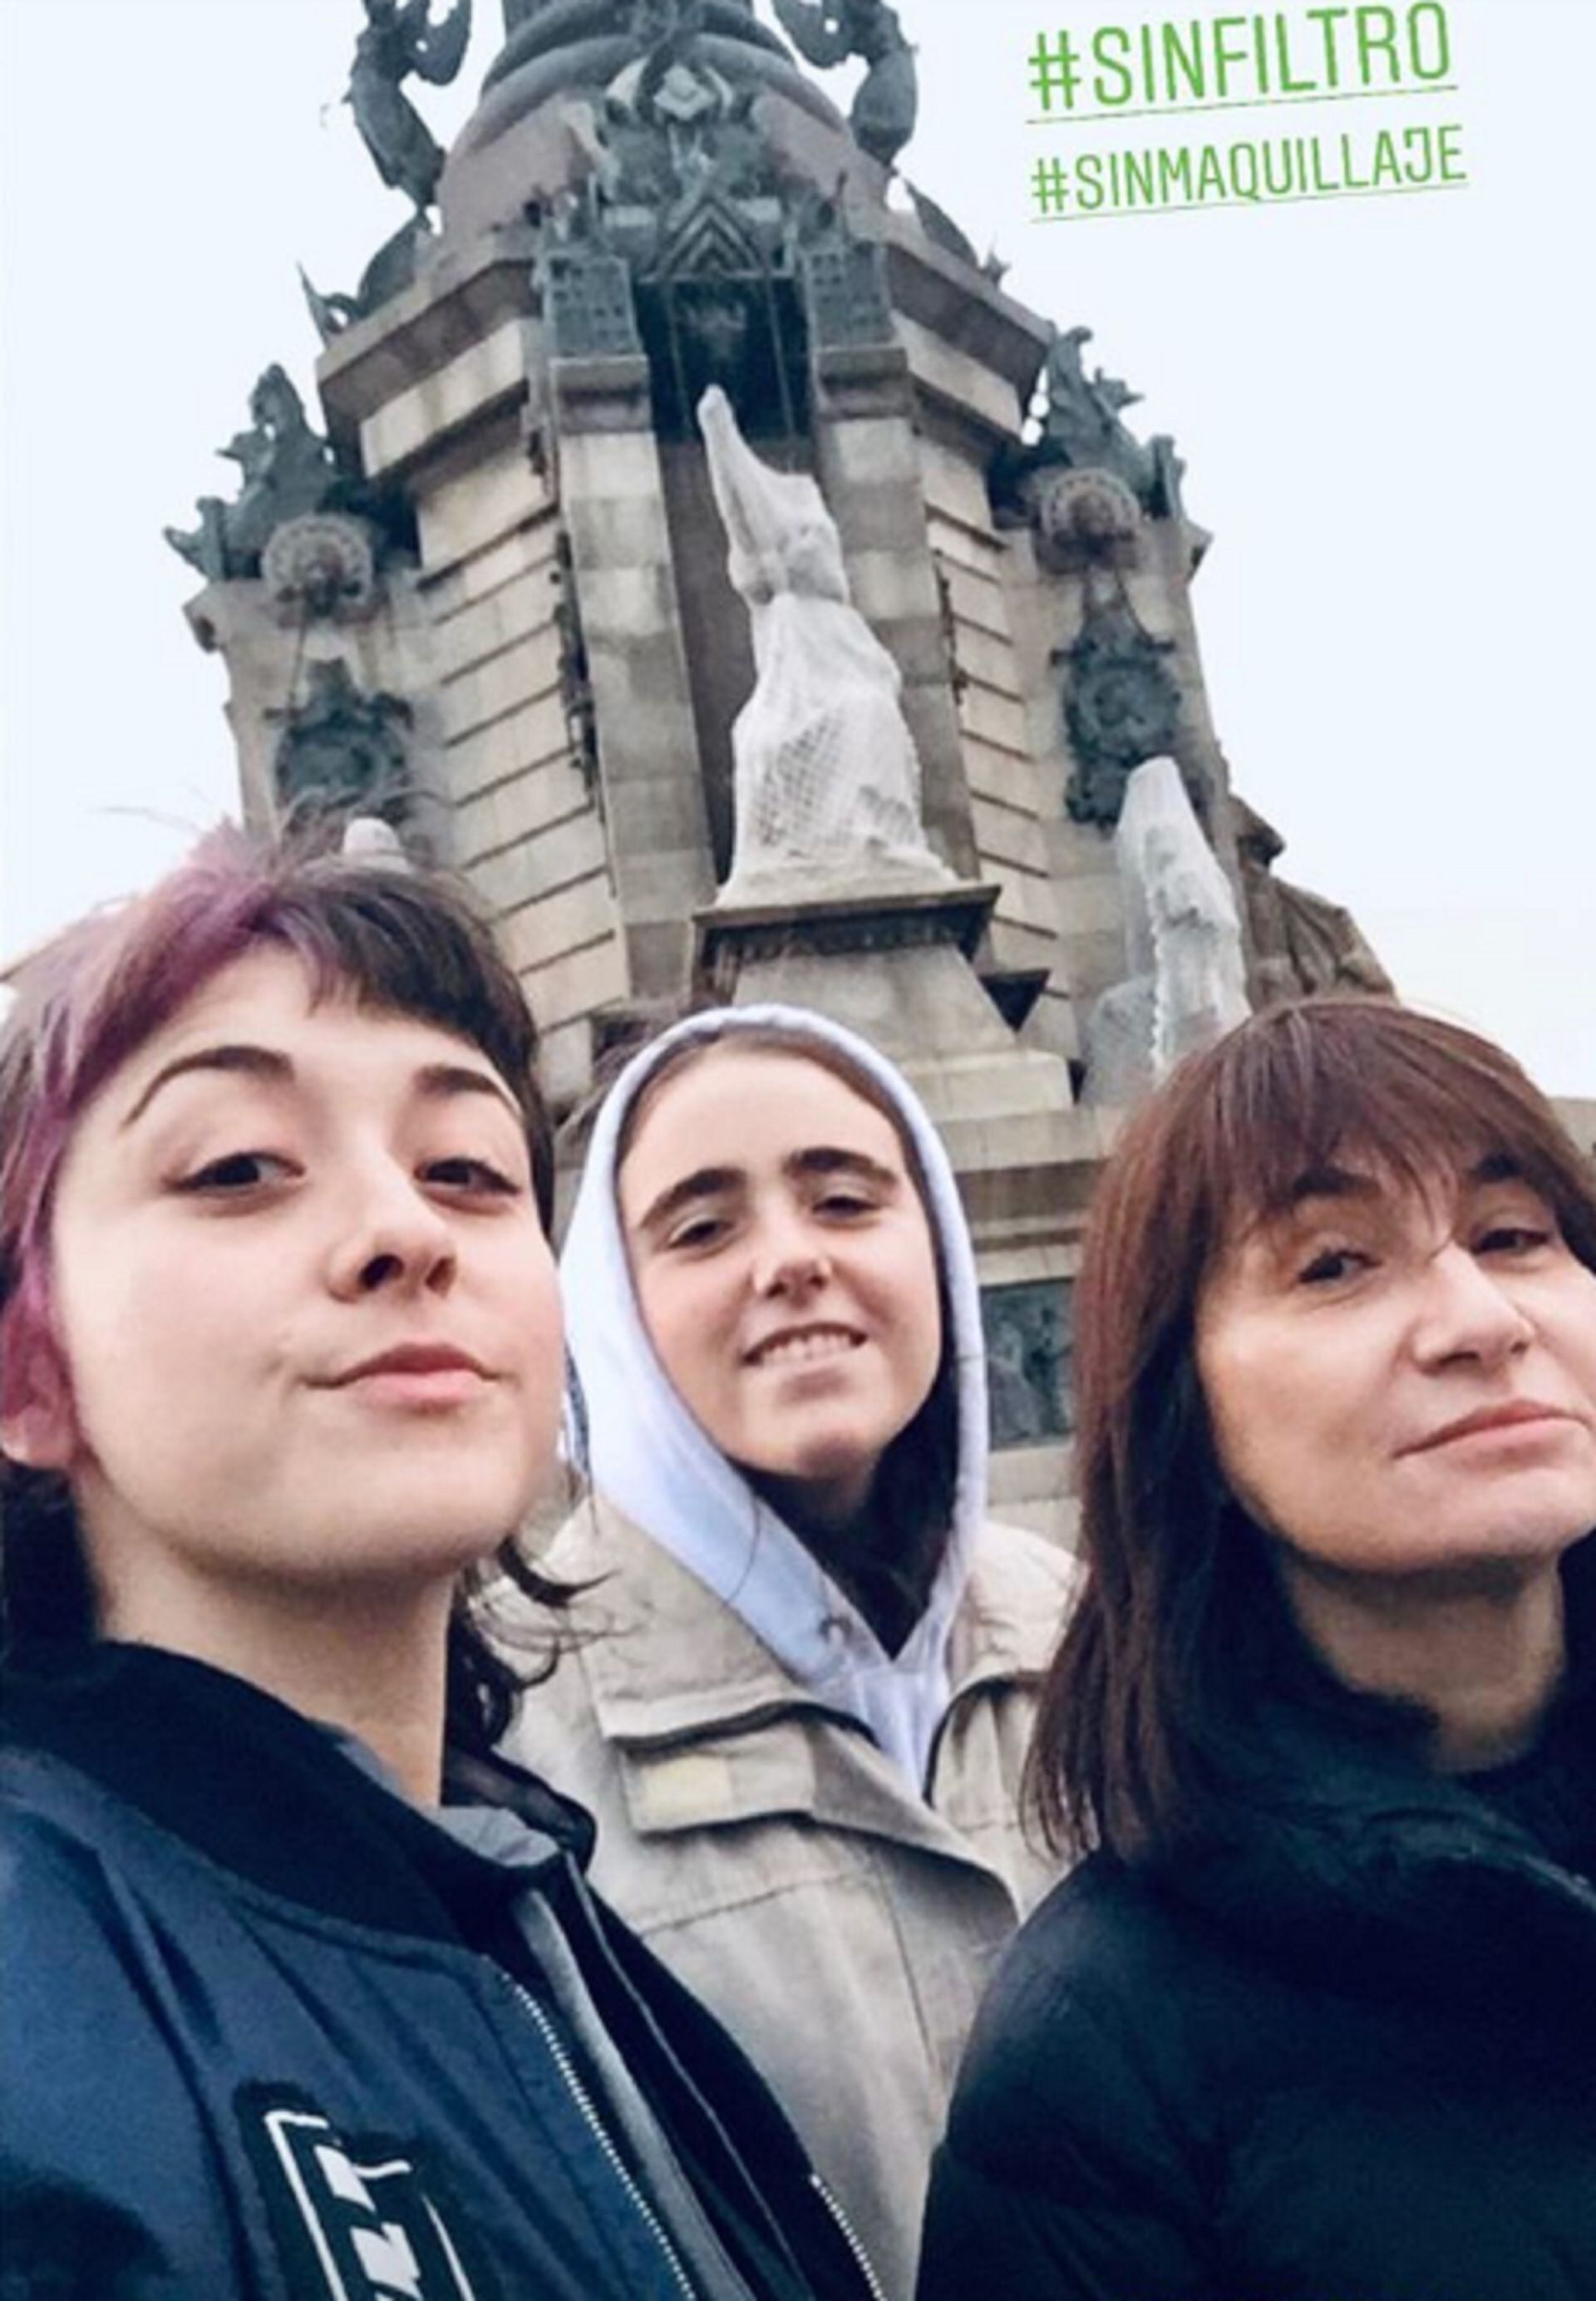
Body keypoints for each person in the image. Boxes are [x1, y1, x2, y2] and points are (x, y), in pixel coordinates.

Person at [0, 832, 881, 2301]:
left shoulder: (554, 1924)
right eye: (235, 1168)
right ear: (29, 1372)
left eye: (469, 1170)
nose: (404, 1232)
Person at [918, 998, 1596, 2301]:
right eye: (1335, 1264)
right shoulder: (1097, 2055)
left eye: (1513, 1236)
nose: (1476, 1319)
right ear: (1186, 1416)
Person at [502, 1004, 1077, 2299]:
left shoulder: (1091, 1635)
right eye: (703, 1227)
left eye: (846, 1201)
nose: (790, 1261)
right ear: (612, 1307)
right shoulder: (497, 1720)